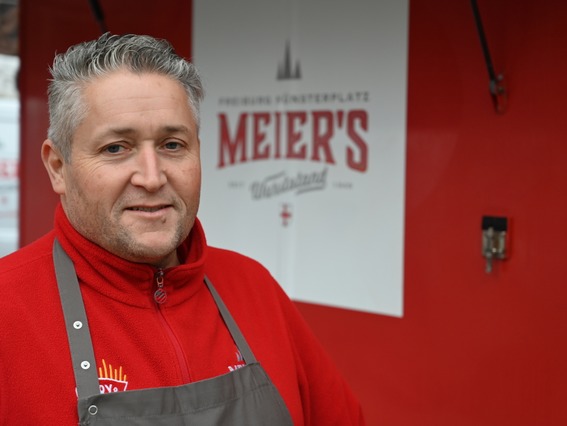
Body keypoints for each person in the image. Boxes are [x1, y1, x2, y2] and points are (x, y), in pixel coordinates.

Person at [0, 33, 364, 425]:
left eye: (172, 145)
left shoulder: (254, 288)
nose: (153, 177)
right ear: (58, 167)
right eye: (116, 148)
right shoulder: (9, 308)